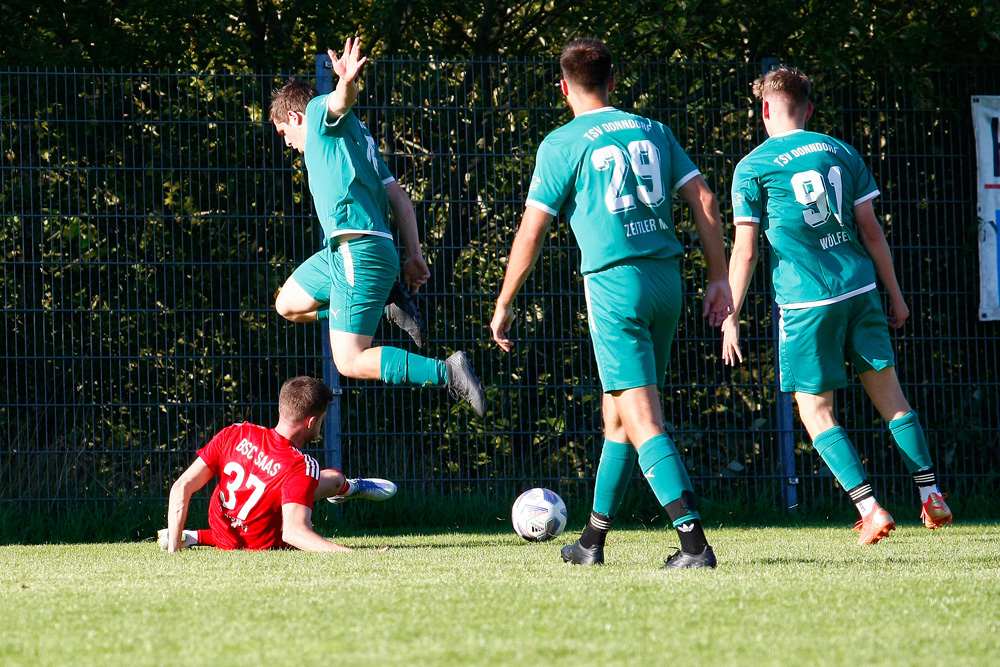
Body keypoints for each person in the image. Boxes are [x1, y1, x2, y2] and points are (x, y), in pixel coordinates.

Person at [490, 38, 734, 569]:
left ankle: (694, 546)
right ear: (614, 81)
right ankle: (590, 544)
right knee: (618, 418)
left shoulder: (561, 143)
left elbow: (533, 231)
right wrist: (719, 277)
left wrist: (505, 299)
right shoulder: (653, 130)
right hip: (666, 281)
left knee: (644, 420)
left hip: (615, 287)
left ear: (562, 87)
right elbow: (706, 200)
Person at [722, 66, 952, 545]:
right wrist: (896, 294)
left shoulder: (754, 165)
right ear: (808, 108)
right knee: (892, 399)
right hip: (861, 288)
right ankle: (931, 495)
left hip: (808, 301)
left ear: (765, 109)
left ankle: (869, 508)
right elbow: (871, 230)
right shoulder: (839, 150)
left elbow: (745, 250)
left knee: (814, 408)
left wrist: (732, 315)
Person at [269, 37, 485, 417]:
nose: (288, 145)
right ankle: (385, 302)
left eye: (285, 135)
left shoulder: (320, 112)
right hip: (346, 251)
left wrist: (346, 82)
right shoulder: (360, 137)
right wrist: (414, 255)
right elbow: (398, 196)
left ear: (295, 118)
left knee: (348, 361)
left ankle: (447, 372)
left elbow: (338, 100)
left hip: (358, 249)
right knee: (287, 304)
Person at [160, 376, 396, 552]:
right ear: (311, 421)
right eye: (321, 421)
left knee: (327, 480)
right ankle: (345, 486)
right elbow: (295, 533)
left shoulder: (235, 432)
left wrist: (174, 550)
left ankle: (348, 487)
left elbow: (182, 486)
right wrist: (352, 555)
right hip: (259, 544)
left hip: (224, 530)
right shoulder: (301, 465)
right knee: (325, 479)